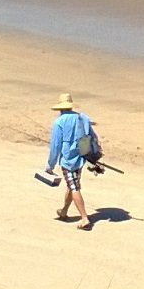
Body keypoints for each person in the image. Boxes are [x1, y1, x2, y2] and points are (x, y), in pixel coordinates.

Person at [44, 93, 97, 230]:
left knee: (74, 187)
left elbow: (55, 146)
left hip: (68, 160)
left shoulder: (59, 122)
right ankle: (64, 211)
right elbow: (91, 137)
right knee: (71, 184)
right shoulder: (82, 118)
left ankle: (84, 218)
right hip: (81, 157)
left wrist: (50, 165)